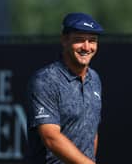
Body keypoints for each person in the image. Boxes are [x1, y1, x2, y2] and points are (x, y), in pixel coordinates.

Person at [27, 12, 104, 164]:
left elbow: (92, 131)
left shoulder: (94, 79)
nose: (87, 47)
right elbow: (51, 138)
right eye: (79, 40)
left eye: (92, 41)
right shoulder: (45, 80)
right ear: (64, 40)